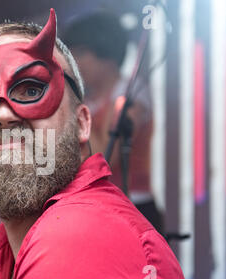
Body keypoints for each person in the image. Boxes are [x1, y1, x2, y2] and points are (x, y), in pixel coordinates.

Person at [0, 9, 189, 279]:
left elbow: (108, 152)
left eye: (31, 90)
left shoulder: (77, 242)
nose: (2, 115)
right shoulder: (11, 244)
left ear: (82, 122)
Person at [62, 12, 163, 233]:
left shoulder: (129, 94)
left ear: (105, 51)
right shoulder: (88, 100)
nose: (74, 64)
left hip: (134, 206)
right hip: (100, 207)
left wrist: (73, 105)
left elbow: (105, 156)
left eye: (81, 53)